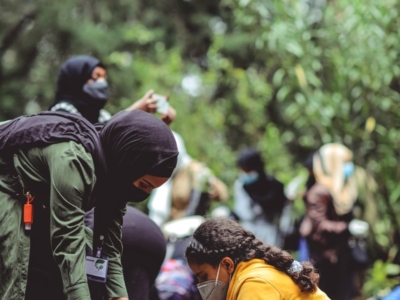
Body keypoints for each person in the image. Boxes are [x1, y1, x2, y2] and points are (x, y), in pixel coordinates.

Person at [0, 110, 178, 299]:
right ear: (129, 162)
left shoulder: (114, 175)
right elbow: (68, 240)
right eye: (144, 185)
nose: (145, 194)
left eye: (152, 189)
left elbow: (110, 245)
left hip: (39, 203)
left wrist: (119, 296)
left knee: (86, 255)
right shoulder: (74, 160)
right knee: (16, 272)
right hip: (8, 190)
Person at [185, 218, 330, 300]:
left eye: (204, 276)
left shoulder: (254, 283)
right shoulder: (248, 277)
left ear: (227, 264)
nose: (201, 285)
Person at [299, 143, 358, 300]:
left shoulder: (340, 190)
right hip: (325, 259)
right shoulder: (318, 192)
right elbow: (321, 225)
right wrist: (348, 227)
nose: (348, 167)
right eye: (344, 163)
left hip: (340, 256)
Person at [49, 55, 168, 124]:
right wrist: (131, 113)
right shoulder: (62, 110)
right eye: (96, 76)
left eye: (104, 78)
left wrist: (162, 123)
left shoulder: (101, 115)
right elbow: (88, 141)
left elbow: (117, 137)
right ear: (76, 79)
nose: (102, 82)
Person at [148, 131, 228, 227]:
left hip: (186, 230)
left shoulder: (194, 170)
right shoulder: (161, 171)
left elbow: (222, 194)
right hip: (165, 229)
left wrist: (214, 189)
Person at [233, 148, 286, 246]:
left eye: (247, 170)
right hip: (246, 232)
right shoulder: (241, 185)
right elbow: (239, 210)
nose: (245, 173)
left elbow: (281, 212)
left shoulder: (274, 186)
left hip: (269, 235)